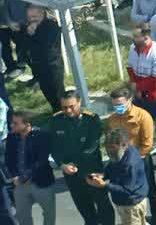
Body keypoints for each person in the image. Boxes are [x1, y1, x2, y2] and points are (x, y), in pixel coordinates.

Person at [50, 89, 113, 225]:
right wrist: (61, 164)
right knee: (85, 210)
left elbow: (92, 146)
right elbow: (54, 147)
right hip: (71, 174)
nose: (68, 110)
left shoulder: (91, 119)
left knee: (104, 207)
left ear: (79, 102)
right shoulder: (56, 120)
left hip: (92, 170)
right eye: (64, 107)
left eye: (71, 106)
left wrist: (75, 163)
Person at [105, 86, 156, 225]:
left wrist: (135, 159)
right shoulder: (112, 119)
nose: (118, 107)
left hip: (140, 159)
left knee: (150, 189)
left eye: (120, 104)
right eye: (115, 105)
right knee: (127, 189)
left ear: (130, 100)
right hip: (119, 161)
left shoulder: (143, 116)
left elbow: (147, 143)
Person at [126, 23, 156, 164]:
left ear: (145, 37)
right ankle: (148, 145)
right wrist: (136, 89)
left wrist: (138, 87)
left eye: (136, 36)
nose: (133, 38)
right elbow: (130, 69)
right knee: (141, 122)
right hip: (139, 92)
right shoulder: (133, 49)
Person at [88, 129, 148, 225]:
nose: (109, 151)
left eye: (112, 148)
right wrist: (103, 175)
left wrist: (105, 185)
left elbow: (127, 190)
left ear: (124, 145)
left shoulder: (130, 164)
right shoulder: (124, 152)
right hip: (134, 201)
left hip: (131, 205)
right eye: (107, 148)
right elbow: (112, 165)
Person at [7, 110, 54, 225]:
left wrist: (24, 176)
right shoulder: (11, 137)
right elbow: (9, 159)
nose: (11, 125)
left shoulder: (42, 135)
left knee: (49, 215)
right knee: (23, 217)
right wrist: (14, 176)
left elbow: (41, 160)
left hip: (41, 182)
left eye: (15, 123)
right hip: (20, 185)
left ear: (27, 124)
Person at [24, 7, 64, 113]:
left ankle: (63, 113)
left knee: (57, 93)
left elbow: (46, 46)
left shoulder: (51, 25)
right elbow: (24, 46)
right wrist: (29, 34)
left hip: (52, 66)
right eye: (29, 17)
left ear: (42, 14)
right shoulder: (29, 27)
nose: (31, 19)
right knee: (46, 91)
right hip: (38, 66)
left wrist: (33, 34)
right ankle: (56, 111)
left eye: (34, 17)